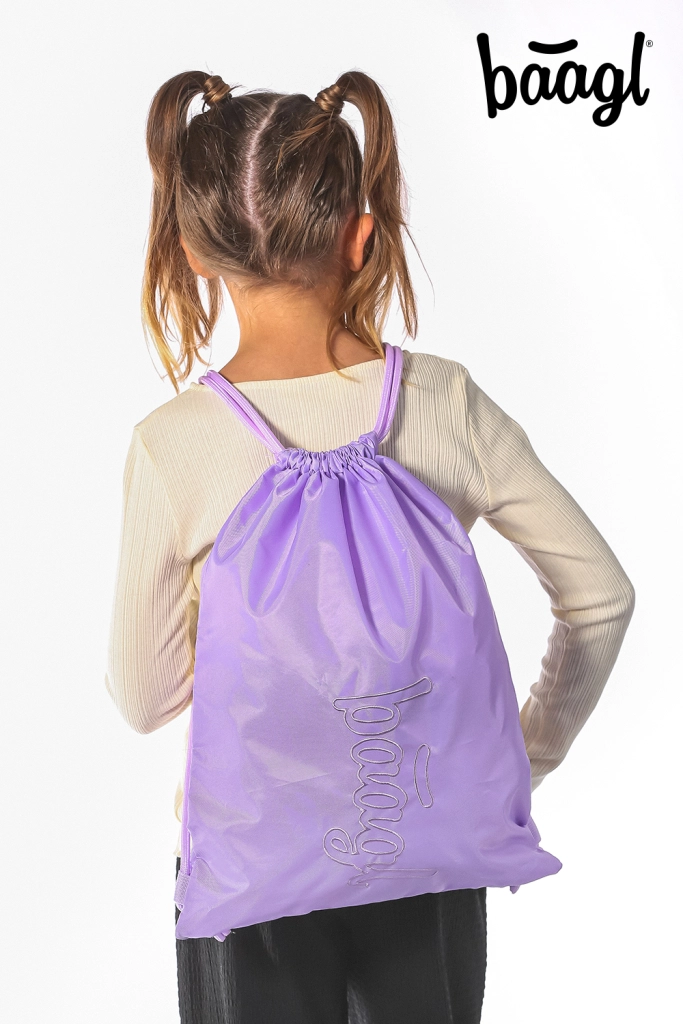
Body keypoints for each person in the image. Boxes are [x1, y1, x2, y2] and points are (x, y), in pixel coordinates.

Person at [105, 69, 636, 1024]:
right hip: (425, 849)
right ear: (359, 234)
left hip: (251, 877)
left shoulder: (174, 444)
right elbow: (600, 596)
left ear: (192, 250)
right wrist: (521, 759)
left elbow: (143, 698)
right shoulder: (441, 401)